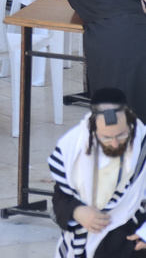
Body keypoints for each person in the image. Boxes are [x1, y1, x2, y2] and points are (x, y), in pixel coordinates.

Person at [50, 89, 146, 258]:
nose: (115, 144)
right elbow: (61, 197)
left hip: (131, 240)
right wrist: (77, 211)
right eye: (106, 138)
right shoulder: (75, 148)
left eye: (122, 135)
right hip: (86, 241)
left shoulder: (142, 145)